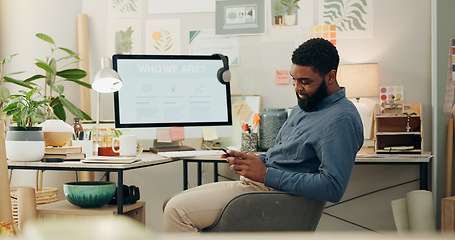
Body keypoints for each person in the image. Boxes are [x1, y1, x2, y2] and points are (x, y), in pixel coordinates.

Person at [163, 38, 364, 232]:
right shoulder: (304, 107)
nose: (297, 88)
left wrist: (266, 174)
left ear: (330, 76)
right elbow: (285, 157)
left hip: (273, 196)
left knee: (177, 211)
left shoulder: (341, 119)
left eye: (305, 81)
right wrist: (251, 161)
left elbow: (333, 187)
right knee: (170, 202)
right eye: (294, 80)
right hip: (258, 186)